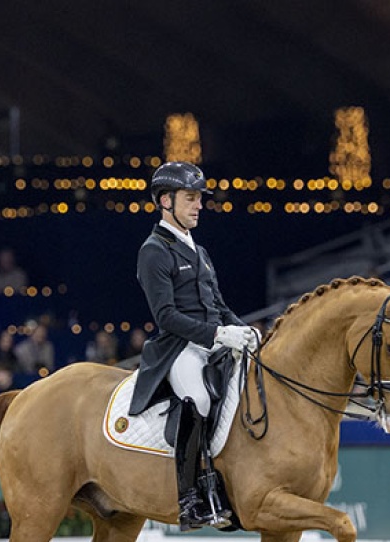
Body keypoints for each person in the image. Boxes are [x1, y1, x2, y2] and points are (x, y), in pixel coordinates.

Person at [132, 161, 257, 531]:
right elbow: (166, 316)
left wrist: (244, 331)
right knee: (199, 399)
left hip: (213, 343)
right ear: (165, 201)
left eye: (199, 198)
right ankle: (189, 499)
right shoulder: (154, 250)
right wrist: (218, 335)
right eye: (190, 198)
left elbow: (219, 305)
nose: (199, 205)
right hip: (179, 349)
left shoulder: (199, 251)